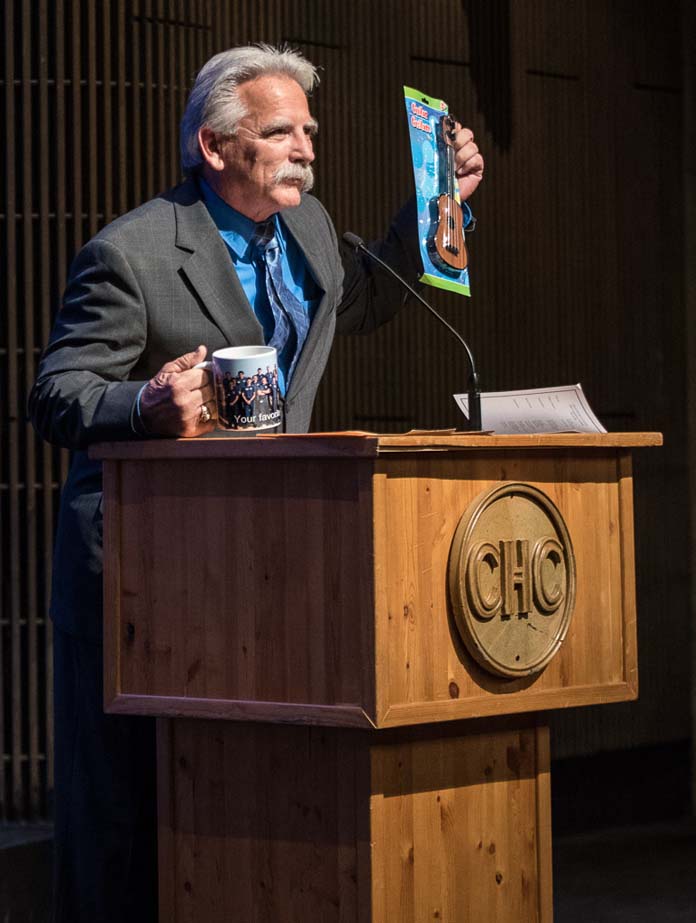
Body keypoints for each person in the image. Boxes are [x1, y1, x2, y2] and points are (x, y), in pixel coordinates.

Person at [28, 43, 483, 923]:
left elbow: (357, 300)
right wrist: (148, 403)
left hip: (265, 570)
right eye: (282, 133)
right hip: (140, 574)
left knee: (242, 815)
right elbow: (56, 395)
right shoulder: (131, 255)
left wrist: (442, 204)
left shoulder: (307, 228)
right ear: (214, 146)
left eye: (308, 132)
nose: (308, 149)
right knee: (128, 821)